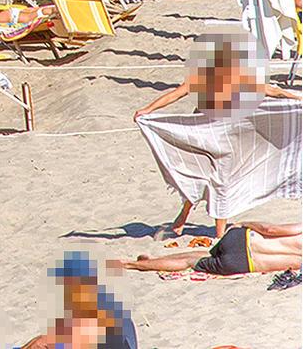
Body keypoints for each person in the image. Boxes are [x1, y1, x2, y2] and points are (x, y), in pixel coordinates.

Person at [134, 37, 302, 234]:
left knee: (221, 182)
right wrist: (147, 110)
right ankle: (184, 217)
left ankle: (218, 232)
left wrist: (297, 99)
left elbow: (274, 92)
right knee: (201, 176)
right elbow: (175, 94)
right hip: (200, 136)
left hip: (226, 139)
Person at [110, 218, 302, 276]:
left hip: (243, 240)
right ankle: (142, 263)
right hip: (243, 263)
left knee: (201, 254)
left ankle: (133, 264)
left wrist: (245, 223)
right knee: (192, 261)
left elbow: (270, 229)